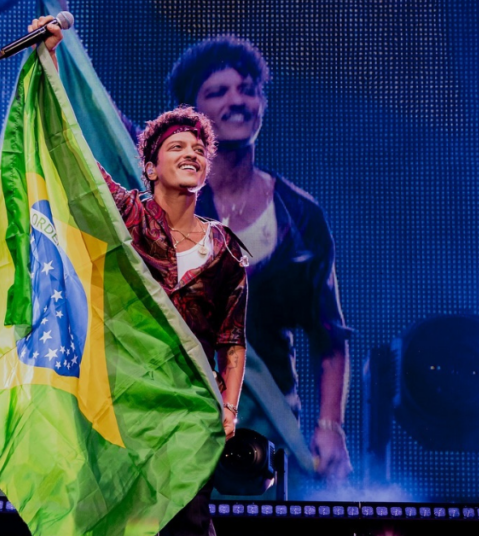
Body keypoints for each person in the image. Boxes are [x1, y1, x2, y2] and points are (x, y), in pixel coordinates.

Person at [30, 17, 248, 536]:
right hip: (121, 402)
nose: (192, 153)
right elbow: (71, 152)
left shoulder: (226, 252)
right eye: (177, 147)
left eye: (199, 150)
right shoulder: (127, 214)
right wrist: (51, 61)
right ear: (149, 167)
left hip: (190, 412)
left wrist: (229, 408)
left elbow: (233, 340)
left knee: (188, 526)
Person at [166, 37, 353, 484]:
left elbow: (330, 336)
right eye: (218, 91)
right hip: (172, 421)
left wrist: (330, 427)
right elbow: (97, 120)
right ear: (190, 115)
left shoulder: (300, 214)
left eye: (248, 89)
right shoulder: (163, 198)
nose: (237, 100)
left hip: (262, 433)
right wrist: (61, 42)